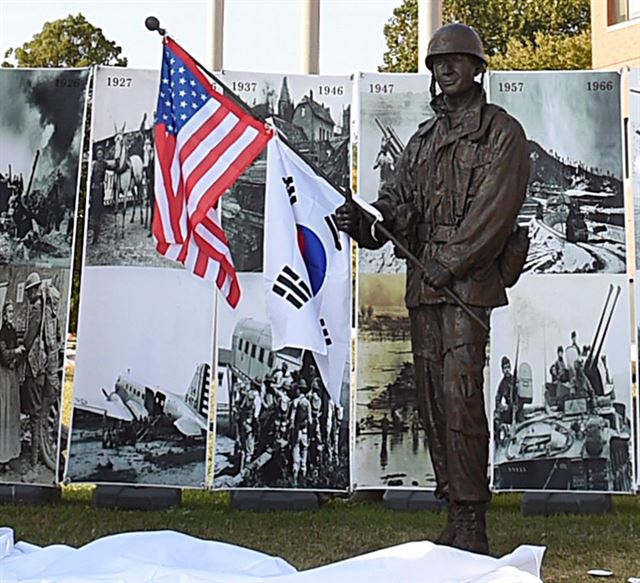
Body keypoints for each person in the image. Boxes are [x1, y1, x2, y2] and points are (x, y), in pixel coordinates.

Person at [336, 23, 529, 554]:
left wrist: (449, 261)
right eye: (438, 63)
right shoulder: (422, 141)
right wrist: (368, 223)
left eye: (457, 60)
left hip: (467, 285)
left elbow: (495, 211)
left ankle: (473, 518)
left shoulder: (500, 132)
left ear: (476, 67)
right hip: (424, 284)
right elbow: (398, 205)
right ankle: (453, 505)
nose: (445, 69)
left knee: (460, 396)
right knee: (430, 399)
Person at [21, 272, 62, 480]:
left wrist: (20, 349)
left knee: (35, 417)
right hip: (47, 368)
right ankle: (41, 458)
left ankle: (34, 466)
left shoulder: (37, 309)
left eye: (29, 291)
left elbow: (28, 340)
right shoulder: (49, 309)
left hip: (36, 369)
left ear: (33, 290)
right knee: (40, 417)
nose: (28, 295)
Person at [0, 300, 25, 470]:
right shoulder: (2, 333)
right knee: (4, 414)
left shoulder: (13, 331)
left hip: (12, 376)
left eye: (11, 312)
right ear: (3, 315)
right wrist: (15, 352)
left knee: (12, 414)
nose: (11, 315)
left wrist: (16, 357)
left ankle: (11, 454)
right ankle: (2, 457)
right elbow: (3, 355)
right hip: (3, 377)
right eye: (8, 312)